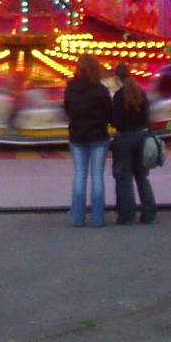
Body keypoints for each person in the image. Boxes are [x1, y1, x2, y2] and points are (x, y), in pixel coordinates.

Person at [63, 55, 112, 228]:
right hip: (98, 136)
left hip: (77, 136)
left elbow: (68, 110)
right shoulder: (101, 90)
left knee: (80, 175)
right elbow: (109, 112)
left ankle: (77, 217)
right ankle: (98, 218)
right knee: (97, 176)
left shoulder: (70, 88)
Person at [110, 64, 157, 225]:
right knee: (142, 177)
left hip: (124, 138)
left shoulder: (118, 96)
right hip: (141, 137)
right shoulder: (141, 93)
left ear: (117, 78)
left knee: (123, 178)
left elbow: (116, 121)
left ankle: (127, 215)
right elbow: (147, 118)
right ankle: (149, 213)